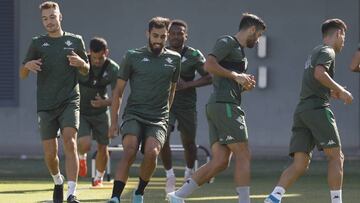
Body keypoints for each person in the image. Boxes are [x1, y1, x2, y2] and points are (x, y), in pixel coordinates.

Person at [168, 13, 266, 203]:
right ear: (252, 30)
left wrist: (243, 85)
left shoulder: (238, 51)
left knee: (220, 161)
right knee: (243, 153)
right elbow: (209, 64)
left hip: (221, 105)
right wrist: (236, 76)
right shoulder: (227, 41)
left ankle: (178, 196)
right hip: (225, 106)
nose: (258, 39)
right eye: (258, 34)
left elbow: (226, 80)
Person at [264, 19, 353, 203]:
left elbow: (315, 80)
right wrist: (342, 91)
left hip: (302, 110)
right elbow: (319, 74)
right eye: (344, 36)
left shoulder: (315, 52)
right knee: (337, 157)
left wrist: (330, 91)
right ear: (338, 34)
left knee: (300, 163)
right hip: (317, 109)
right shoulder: (328, 51)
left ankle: (273, 198)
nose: (344, 41)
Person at [20, 1, 89, 203]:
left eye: (52, 16)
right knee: (50, 154)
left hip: (70, 100)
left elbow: (86, 71)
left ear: (60, 16)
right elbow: (22, 74)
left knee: (70, 141)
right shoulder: (37, 43)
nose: (49, 21)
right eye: (45, 18)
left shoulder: (76, 41)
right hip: (46, 104)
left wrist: (82, 63)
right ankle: (58, 181)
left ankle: (72, 193)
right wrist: (28, 65)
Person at [107, 16, 181, 203]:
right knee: (130, 150)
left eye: (163, 37)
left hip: (159, 118)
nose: (158, 40)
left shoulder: (175, 59)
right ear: (147, 34)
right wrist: (114, 122)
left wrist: (165, 115)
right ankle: (115, 197)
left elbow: (172, 90)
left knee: (152, 153)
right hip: (134, 114)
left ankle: (139, 191)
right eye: (155, 35)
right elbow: (118, 92)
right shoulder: (132, 56)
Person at [160, 19, 212, 194]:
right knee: (162, 138)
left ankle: (189, 172)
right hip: (166, 104)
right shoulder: (161, 53)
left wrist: (188, 84)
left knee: (189, 144)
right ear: (167, 35)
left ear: (186, 36)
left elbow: (209, 77)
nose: (175, 36)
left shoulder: (194, 55)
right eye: (172, 33)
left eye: (179, 33)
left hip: (186, 106)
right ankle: (169, 175)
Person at [77, 37, 119, 187]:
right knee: (85, 144)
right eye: (93, 57)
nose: (96, 61)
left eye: (100, 57)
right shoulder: (81, 63)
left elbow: (117, 97)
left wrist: (104, 103)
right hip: (81, 111)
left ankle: (98, 178)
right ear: (89, 53)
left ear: (106, 52)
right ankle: (81, 157)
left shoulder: (113, 68)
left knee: (103, 146)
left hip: (101, 112)